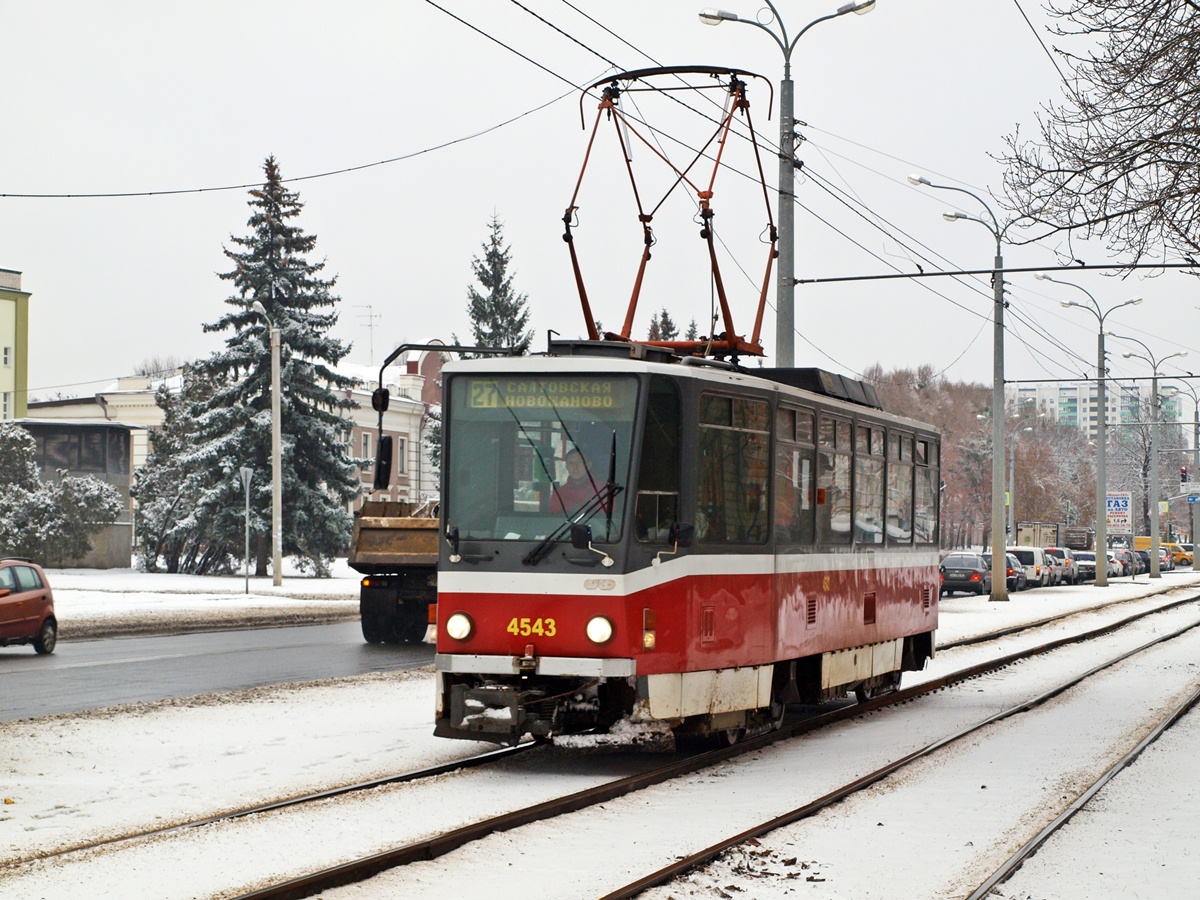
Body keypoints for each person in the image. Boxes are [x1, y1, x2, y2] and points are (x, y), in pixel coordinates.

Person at [550, 448, 601, 514]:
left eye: (580, 462)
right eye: (571, 463)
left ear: (589, 465)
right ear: (567, 467)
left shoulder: (602, 490)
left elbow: (608, 518)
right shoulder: (559, 494)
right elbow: (553, 520)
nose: (575, 467)